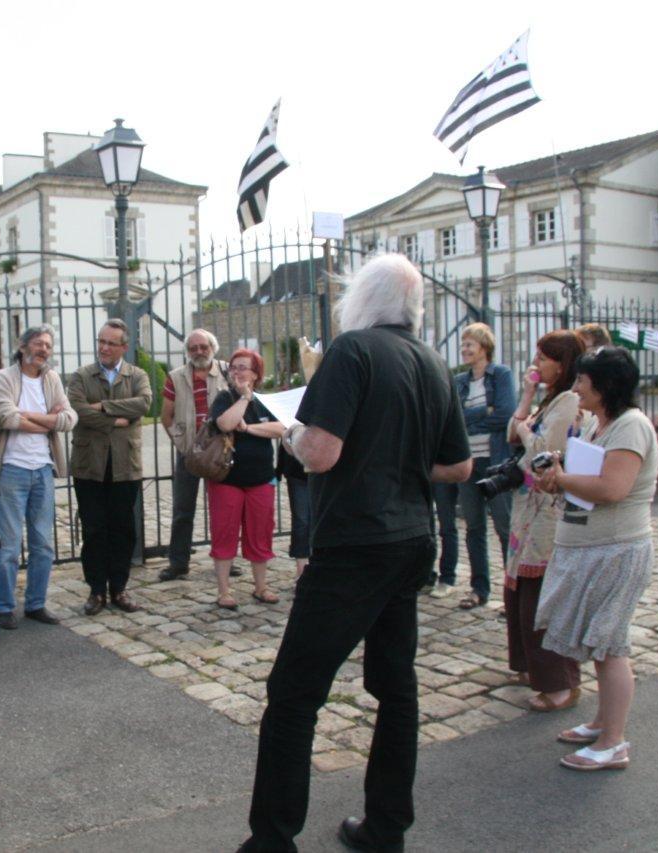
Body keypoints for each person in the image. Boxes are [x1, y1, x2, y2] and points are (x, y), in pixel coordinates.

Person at [238, 254, 472, 853]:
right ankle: (386, 828)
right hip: (412, 540)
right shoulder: (434, 362)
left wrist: (288, 432)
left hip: (357, 545)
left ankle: (272, 841)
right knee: (396, 687)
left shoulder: (354, 350)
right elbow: (459, 464)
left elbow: (319, 453)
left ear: (362, 300)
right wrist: (395, 457)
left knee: (294, 693)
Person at [533, 347, 658, 771]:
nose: (575, 387)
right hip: (591, 549)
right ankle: (604, 723)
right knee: (599, 643)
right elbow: (587, 480)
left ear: (604, 386)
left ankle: (613, 742)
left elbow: (611, 489)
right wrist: (559, 477)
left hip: (617, 550)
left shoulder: (631, 426)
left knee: (610, 645)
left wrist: (562, 477)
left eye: (582, 381)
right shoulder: (599, 425)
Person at [504, 329, 592, 712]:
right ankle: (532, 669)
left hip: (548, 510)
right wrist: (526, 396)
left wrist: (525, 431)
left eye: (543, 357)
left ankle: (560, 683)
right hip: (529, 508)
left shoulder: (570, 401)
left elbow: (543, 452)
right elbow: (512, 432)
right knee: (520, 593)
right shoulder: (549, 400)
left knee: (540, 599)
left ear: (562, 362)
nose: (536, 363)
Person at [0, 324, 77, 629]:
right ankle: (6, 607)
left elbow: (69, 419)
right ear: (22, 346)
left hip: (43, 470)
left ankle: (36, 603)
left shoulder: (51, 379)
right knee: (9, 547)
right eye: (38, 344)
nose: (43, 350)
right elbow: (3, 416)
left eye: (48, 345)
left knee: (43, 544)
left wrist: (30, 416)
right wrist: (49, 421)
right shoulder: (4, 377)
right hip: (11, 470)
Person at [67, 319, 153, 615]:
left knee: (123, 529)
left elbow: (143, 404)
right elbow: (77, 411)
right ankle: (96, 591)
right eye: (100, 341)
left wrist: (102, 406)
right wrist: (115, 419)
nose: (103, 348)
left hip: (124, 465)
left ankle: (119, 588)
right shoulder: (81, 376)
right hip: (89, 464)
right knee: (94, 530)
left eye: (110, 343)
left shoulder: (137, 375)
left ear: (123, 347)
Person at [429, 322, 515, 609]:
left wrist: (473, 416)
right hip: (468, 461)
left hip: (496, 463)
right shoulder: (460, 382)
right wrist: (483, 412)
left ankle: (512, 594)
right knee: (474, 528)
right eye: (463, 344)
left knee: (504, 527)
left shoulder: (500, 375)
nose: (464, 349)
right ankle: (480, 589)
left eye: (469, 344)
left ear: (484, 347)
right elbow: (455, 419)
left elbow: (505, 414)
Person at [207, 348, 285, 610]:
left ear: (256, 373)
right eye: (234, 367)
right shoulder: (224, 397)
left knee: (260, 533)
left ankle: (261, 586)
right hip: (227, 478)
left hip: (261, 478)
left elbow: (281, 429)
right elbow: (226, 424)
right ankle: (224, 591)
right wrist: (244, 399)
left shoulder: (266, 401)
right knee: (225, 531)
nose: (237, 372)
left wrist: (250, 428)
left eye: (243, 367)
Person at [159, 328, 230, 581]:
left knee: (224, 509)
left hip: (220, 453)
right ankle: (178, 562)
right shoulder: (175, 377)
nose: (199, 352)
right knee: (182, 509)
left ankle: (226, 558)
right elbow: (166, 415)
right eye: (193, 348)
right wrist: (182, 444)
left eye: (204, 347)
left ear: (213, 348)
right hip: (189, 453)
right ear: (187, 351)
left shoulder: (226, 371)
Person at [275, 443, 310, 577]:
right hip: (298, 471)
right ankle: (302, 573)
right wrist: (279, 469)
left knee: (321, 521)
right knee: (301, 522)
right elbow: (285, 438)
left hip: (326, 471)